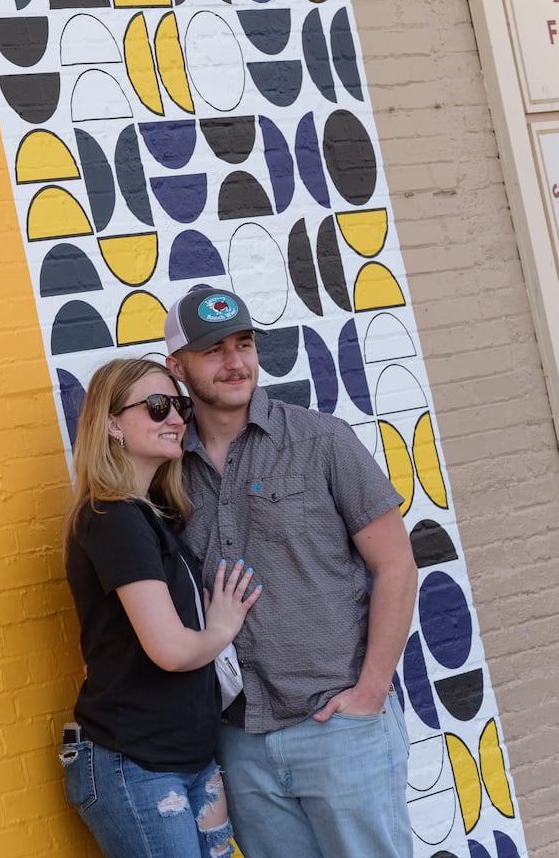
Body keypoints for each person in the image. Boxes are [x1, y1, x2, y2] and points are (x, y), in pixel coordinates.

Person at [162, 285, 418, 858]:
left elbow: (397, 564)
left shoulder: (321, 441)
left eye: (244, 344)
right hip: (241, 742)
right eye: (213, 351)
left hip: (338, 726)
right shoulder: (166, 474)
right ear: (177, 368)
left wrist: (372, 691)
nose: (235, 363)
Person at [62, 357, 261, 858]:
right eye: (156, 407)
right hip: (137, 763)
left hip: (187, 758)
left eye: (178, 406)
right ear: (111, 423)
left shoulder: (152, 516)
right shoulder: (112, 518)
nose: (175, 418)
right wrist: (222, 628)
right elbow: (169, 650)